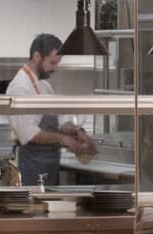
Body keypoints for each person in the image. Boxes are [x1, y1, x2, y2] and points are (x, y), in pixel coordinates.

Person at [5, 33, 97, 186]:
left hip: (49, 166)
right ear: (37, 56)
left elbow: (59, 120)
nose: (55, 68)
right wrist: (63, 139)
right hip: (29, 168)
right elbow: (28, 134)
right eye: (52, 63)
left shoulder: (44, 85)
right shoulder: (20, 87)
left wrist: (76, 132)